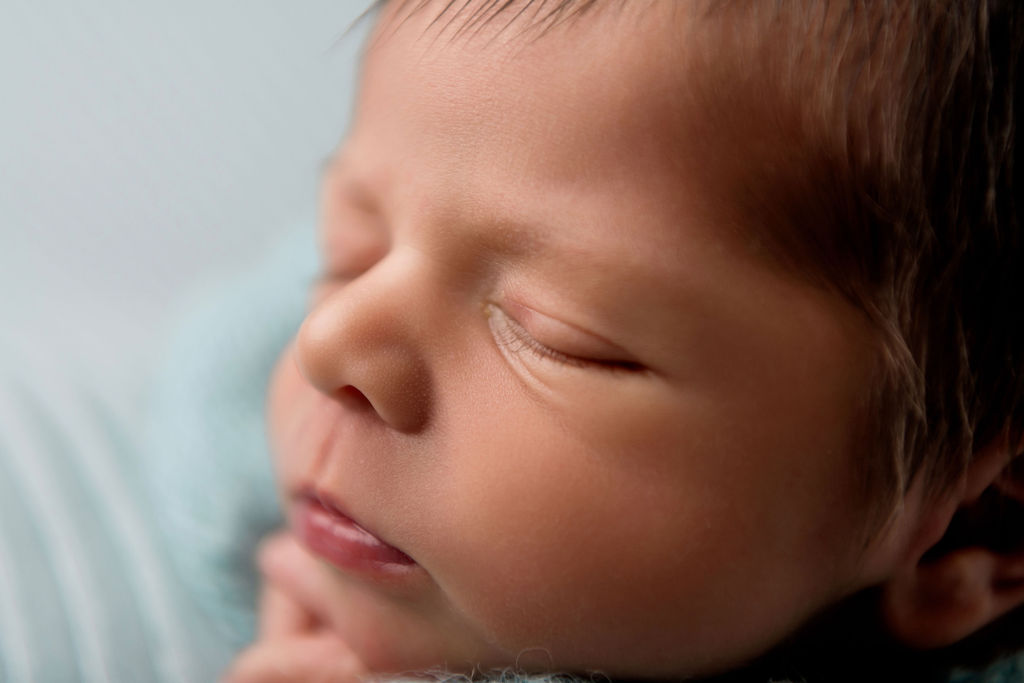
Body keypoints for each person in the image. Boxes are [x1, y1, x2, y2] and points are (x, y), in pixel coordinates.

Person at [225, 1, 1024, 681]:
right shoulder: (187, 468)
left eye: (561, 338)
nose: (328, 341)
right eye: (349, 250)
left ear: (964, 531)